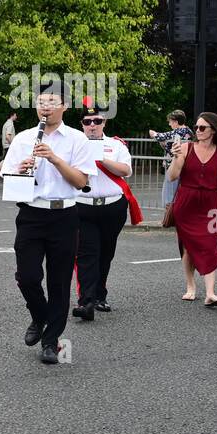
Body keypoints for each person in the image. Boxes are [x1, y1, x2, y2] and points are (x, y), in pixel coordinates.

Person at [0, 85, 95, 364]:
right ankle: (39, 316)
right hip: (31, 213)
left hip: (64, 215)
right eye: (41, 102)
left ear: (64, 106)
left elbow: (81, 182)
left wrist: (53, 157)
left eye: (52, 102)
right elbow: (9, 176)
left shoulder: (77, 139)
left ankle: (51, 341)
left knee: (59, 280)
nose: (45, 107)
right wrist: (21, 170)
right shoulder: (23, 138)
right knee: (27, 277)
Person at [73, 110, 136, 321]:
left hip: (112, 207)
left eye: (97, 121)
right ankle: (86, 301)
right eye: (87, 121)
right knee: (87, 254)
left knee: (105, 253)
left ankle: (100, 295)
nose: (92, 125)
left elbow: (126, 170)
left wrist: (102, 159)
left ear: (104, 123)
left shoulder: (116, 145)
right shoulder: (74, 144)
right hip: (83, 207)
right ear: (82, 124)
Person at [169, 112, 217, 307]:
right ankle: (191, 287)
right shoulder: (186, 148)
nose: (198, 131)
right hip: (186, 202)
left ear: (213, 129)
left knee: (210, 245)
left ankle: (211, 293)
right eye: (196, 127)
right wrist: (176, 157)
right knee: (188, 247)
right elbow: (172, 176)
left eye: (202, 127)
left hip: (211, 204)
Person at [151, 110, 195, 214]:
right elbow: (170, 145)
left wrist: (152, 133)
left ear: (176, 121)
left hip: (173, 165)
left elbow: (159, 136)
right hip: (186, 164)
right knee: (180, 191)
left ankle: (170, 216)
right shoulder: (189, 131)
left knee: (169, 192)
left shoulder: (176, 132)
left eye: (170, 121)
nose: (169, 124)